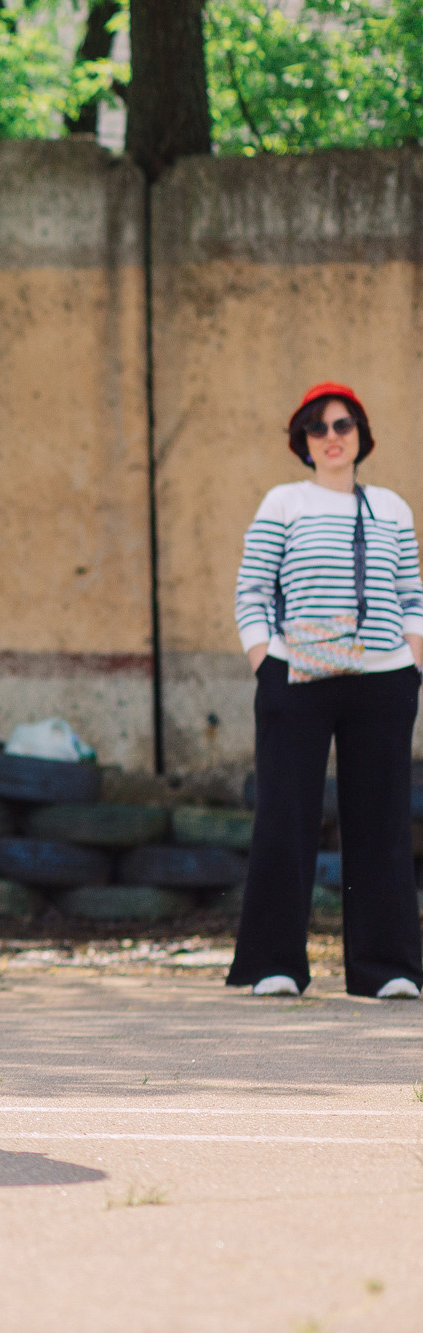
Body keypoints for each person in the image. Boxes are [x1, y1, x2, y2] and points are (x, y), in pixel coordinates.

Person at [230, 383, 423, 1001]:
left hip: (384, 681)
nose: (332, 435)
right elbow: (252, 592)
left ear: (362, 434)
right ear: (304, 444)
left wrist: (412, 661)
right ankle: (273, 964)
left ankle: (386, 966)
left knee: (382, 822)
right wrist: (267, 664)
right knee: (285, 818)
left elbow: (412, 594)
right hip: (298, 680)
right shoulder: (283, 502)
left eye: (343, 424)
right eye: (318, 428)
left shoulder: (392, 507)